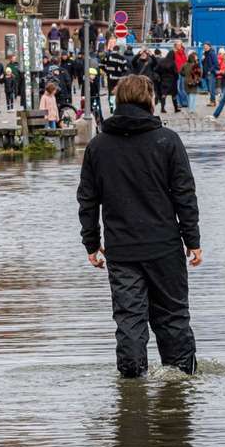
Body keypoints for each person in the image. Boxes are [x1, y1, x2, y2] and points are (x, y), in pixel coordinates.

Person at [77, 75, 201, 377]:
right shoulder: (167, 141)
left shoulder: (98, 146)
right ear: (150, 100)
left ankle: (131, 388)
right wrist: (192, 241)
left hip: (121, 251)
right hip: (165, 247)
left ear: (118, 101)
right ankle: (181, 382)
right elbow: (184, 195)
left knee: (129, 320)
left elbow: (87, 200)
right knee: (173, 318)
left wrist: (92, 244)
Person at [172, 40, 189, 107]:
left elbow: (185, 62)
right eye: (177, 45)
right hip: (176, 72)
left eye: (180, 44)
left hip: (182, 72)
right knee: (178, 88)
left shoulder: (183, 52)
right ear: (175, 45)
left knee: (182, 88)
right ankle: (179, 103)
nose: (178, 46)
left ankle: (185, 102)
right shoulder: (173, 52)